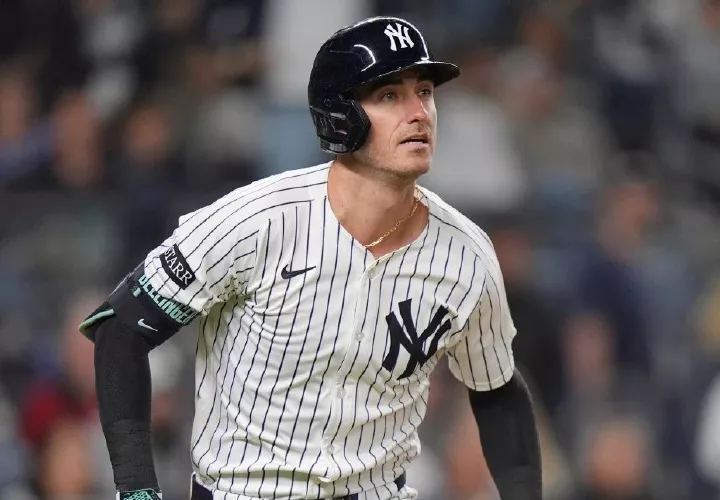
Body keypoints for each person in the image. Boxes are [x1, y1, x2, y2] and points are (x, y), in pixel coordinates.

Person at [79, 16, 542, 500]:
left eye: (424, 92)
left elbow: (498, 390)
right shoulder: (257, 220)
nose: (419, 112)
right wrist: (136, 490)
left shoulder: (467, 255)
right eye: (390, 96)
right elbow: (121, 328)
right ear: (340, 117)